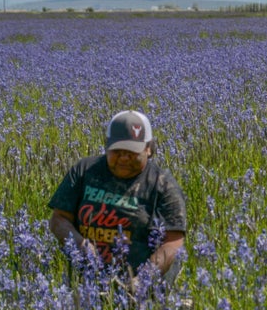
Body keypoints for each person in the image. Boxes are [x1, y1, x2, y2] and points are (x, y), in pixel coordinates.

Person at [49, 110, 187, 294]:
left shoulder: (163, 185)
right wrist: (81, 247)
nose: (123, 158)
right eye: (117, 151)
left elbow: (173, 242)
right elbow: (59, 218)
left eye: (131, 152)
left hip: (140, 288)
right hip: (85, 283)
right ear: (107, 146)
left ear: (149, 149)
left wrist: (143, 279)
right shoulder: (84, 171)